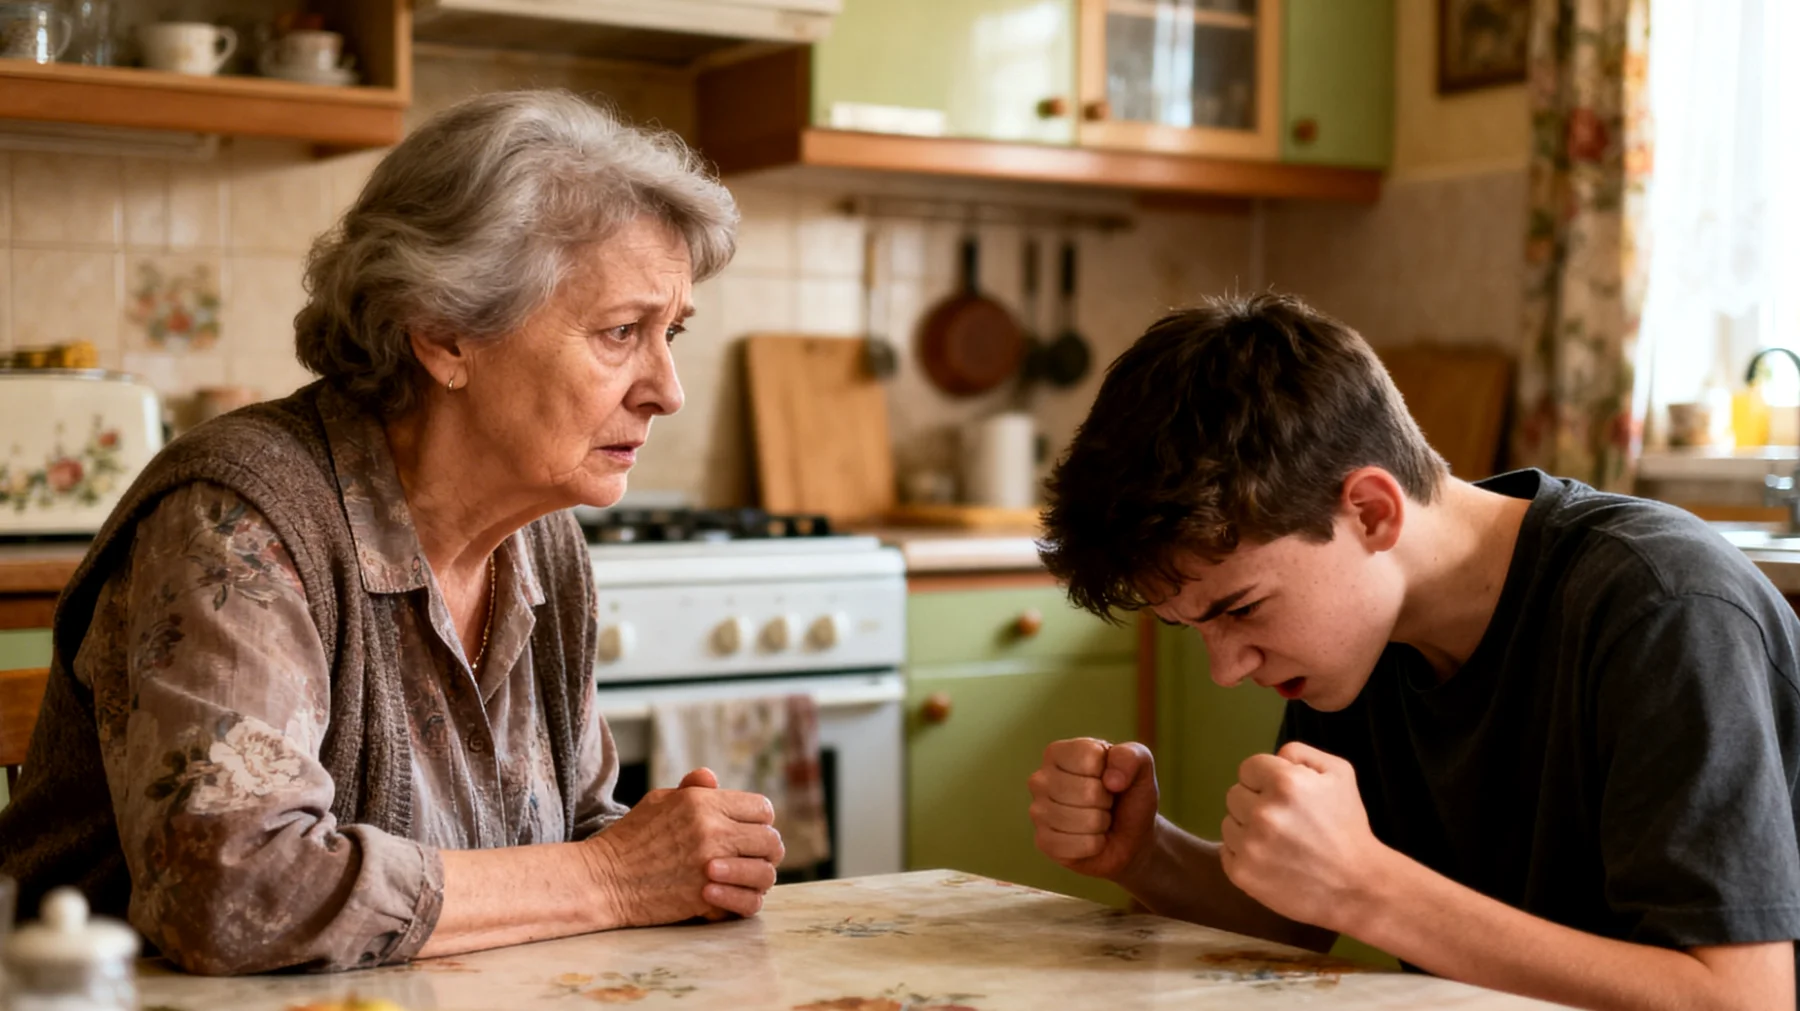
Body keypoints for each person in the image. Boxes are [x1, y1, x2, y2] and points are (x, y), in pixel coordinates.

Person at [0, 89, 787, 975]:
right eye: (620, 332)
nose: (667, 389)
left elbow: (570, 842)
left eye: (670, 332)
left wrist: (685, 856)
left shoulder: (544, 541)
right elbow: (234, 894)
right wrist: (614, 874)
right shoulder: (237, 517)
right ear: (445, 335)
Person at [1026, 293, 1800, 1011]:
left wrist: (1369, 888)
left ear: (1369, 509)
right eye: (1193, 627)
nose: (1227, 670)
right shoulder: (1360, 637)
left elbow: (1740, 998)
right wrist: (1144, 851)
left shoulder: (1661, 608)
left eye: (1242, 609)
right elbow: (1292, 920)